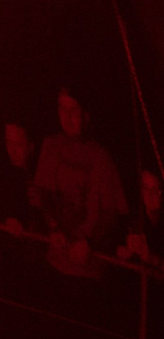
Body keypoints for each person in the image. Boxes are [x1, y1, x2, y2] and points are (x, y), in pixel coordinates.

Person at [32, 88, 127, 276]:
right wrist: (53, 226)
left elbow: (113, 213)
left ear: (86, 114)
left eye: (73, 110)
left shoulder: (101, 156)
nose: (66, 117)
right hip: (55, 261)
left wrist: (89, 242)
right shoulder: (51, 146)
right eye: (62, 109)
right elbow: (43, 193)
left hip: (90, 267)